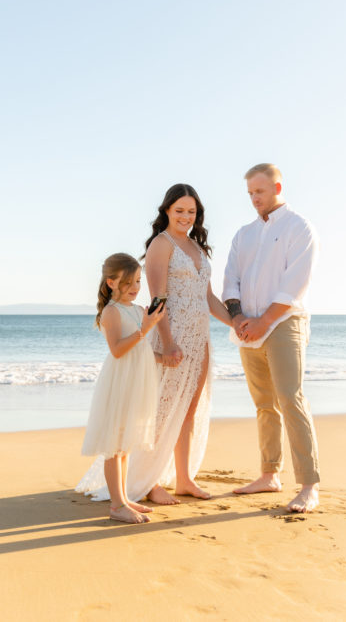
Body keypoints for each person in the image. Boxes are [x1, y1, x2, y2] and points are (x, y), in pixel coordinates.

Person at [223, 164, 321, 513]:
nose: (254, 198)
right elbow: (231, 279)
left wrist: (265, 320)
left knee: (290, 398)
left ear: (278, 186)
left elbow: (296, 282)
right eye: (250, 193)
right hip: (247, 327)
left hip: (283, 323)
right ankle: (269, 475)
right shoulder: (243, 234)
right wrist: (238, 319)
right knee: (264, 404)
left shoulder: (299, 227)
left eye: (259, 191)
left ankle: (309, 485)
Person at [133, 184, 235, 504]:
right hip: (171, 337)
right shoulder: (160, 246)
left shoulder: (197, 248)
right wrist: (167, 344)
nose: (186, 217)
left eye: (191, 212)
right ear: (166, 210)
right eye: (179, 211)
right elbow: (157, 300)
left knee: (188, 411)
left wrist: (237, 324)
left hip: (199, 339)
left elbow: (208, 299)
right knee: (162, 411)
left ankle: (184, 479)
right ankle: (148, 482)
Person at [76, 253, 165, 524]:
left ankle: (124, 498)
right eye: (129, 282)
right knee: (114, 445)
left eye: (138, 281)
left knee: (125, 445)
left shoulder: (138, 310)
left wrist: (164, 358)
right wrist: (146, 327)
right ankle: (116, 506)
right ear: (112, 282)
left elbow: (140, 350)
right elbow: (117, 350)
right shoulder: (111, 312)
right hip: (120, 382)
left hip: (136, 380)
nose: (136, 287)